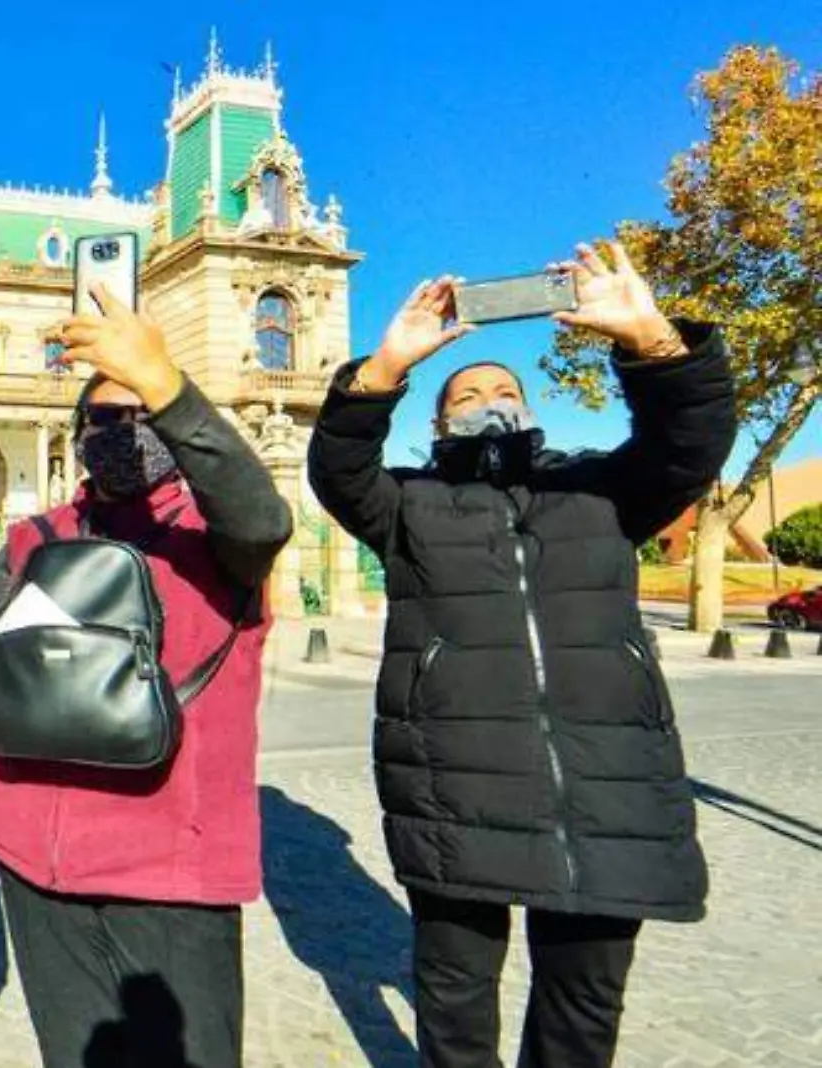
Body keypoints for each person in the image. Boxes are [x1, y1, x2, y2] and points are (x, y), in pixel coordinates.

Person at [306, 243, 735, 1068]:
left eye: (505, 392)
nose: (488, 402)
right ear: (435, 425)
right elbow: (338, 468)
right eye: (467, 393)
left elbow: (693, 440)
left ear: (533, 409)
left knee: (584, 1006)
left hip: (608, 792)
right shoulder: (408, 506)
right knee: (457, 1006)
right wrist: (389, 364)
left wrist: (650, 339)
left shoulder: (603, 491)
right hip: (454, 791)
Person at [0, 282, 293, 1068]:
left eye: (142, 415)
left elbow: (265, 514)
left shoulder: (217, 538)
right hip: (36, 862)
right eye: (102, 418)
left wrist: (164, 379)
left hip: (168, 868)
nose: (120, 431)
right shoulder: (33, 539)